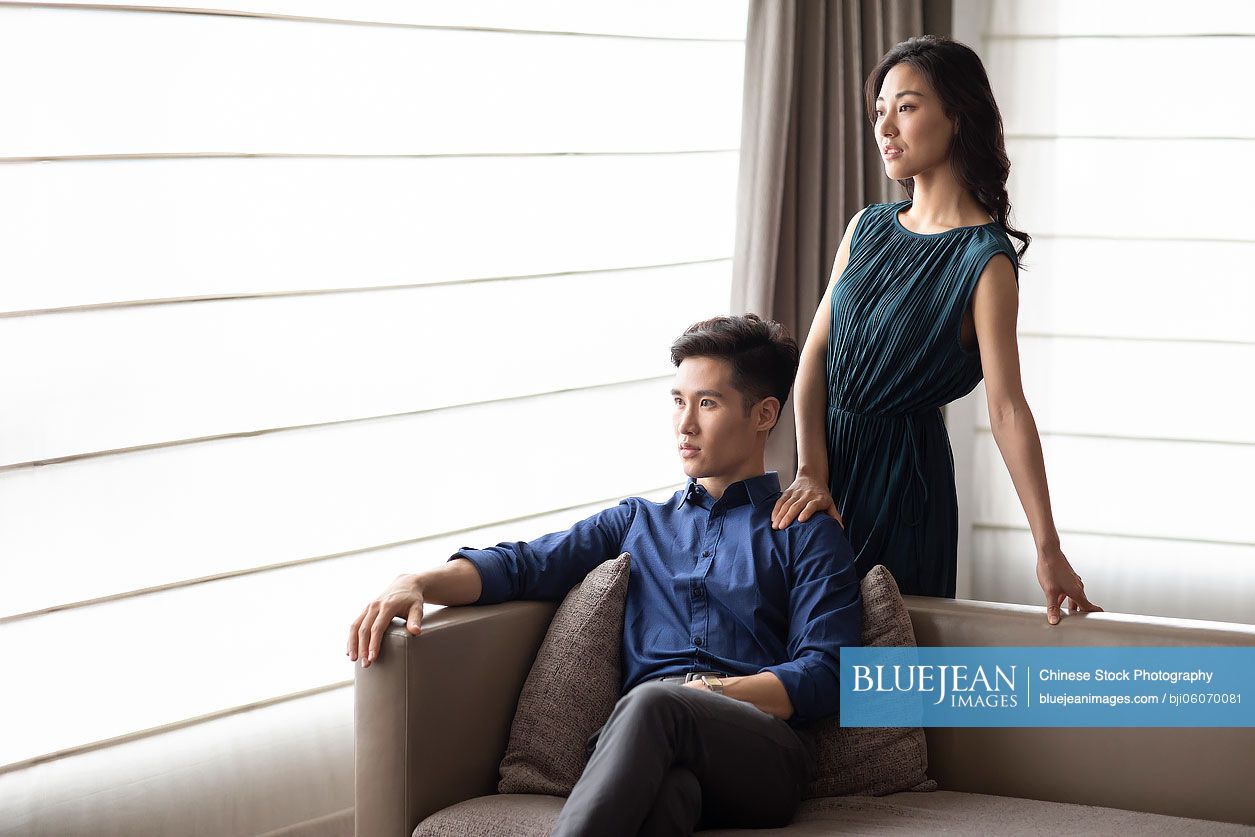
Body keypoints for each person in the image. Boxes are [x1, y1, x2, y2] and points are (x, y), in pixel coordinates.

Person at [347, 313, 862, 835]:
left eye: (707, 403)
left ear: (764, 414)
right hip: (645, 749)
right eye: (678, 401)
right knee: (669, 800)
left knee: (659, 701)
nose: (685, 424)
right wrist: (417, 582)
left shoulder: (806, 532)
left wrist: (709, 693)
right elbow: (525, 565)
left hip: (760, 758)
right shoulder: (637, 522)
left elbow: (828, 674)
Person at [768, 35, 1102, 626]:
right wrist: (810, 471)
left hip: (905, 488)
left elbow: (1007, 410)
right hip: (824, 477)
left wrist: (1047, 548)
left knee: (882, 682)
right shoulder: (867, 227)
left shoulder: (985, 261)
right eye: (879, 111)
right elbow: (815, 357)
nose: (885, 127)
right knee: (803, 660)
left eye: (907, 106)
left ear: (956, 116)